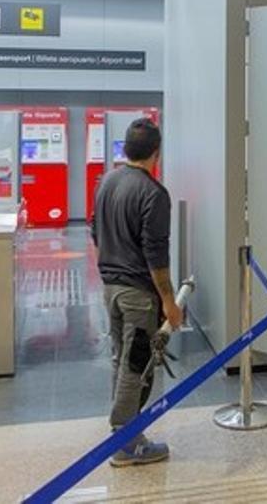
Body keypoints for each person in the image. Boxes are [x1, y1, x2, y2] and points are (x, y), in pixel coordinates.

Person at [91, 118, 183, 467]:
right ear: (156, 153)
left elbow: (94, 230)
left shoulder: (106, 182)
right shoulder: (153, 193)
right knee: (137, 364)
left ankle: (125, 430)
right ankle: (125, 439)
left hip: (110, 287)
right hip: (137, 294)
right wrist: (169, 302)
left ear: (126, 148)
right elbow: (156, 256)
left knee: (121, 357)